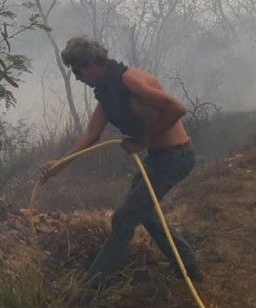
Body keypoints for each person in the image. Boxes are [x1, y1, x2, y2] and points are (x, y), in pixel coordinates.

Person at [39, 35, 201, 292]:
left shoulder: (129, 81)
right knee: (144, 211)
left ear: (92, 63)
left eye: (78, 70)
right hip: (158, 159)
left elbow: (176, 108)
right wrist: (57, 166)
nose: (77, 77)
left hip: (176, 156)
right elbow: (91, 135)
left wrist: (144, 141)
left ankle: (88, 291)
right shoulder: (107, 91)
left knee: (124, 219)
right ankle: (187, 264)